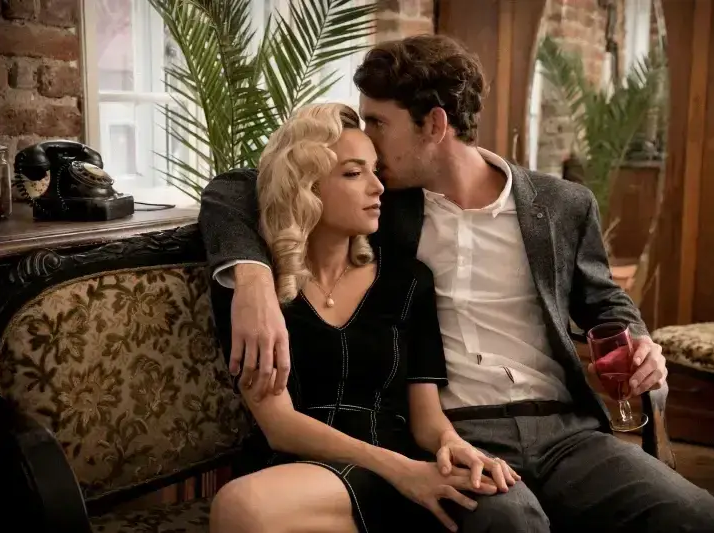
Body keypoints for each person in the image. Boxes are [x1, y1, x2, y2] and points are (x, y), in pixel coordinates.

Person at [201, 35, 714, 532]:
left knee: (700, 519)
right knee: (508, 524)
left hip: (567, 431)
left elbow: (606, 304)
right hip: (455, 432)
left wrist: (639, 344)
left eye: (378, 122)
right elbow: (245, 186)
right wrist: (251, 276)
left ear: (434, 125)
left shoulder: (562, 205)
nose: (368, 138)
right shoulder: (385, 203)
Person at [208, 103, 522, 533]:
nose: (378, 187)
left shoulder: (409, 281)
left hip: (391, 465)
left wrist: (451, 443)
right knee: (242, 506)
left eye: (376, 171)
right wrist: (400, 470)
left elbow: (427, 420)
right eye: (354, 173)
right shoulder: (254, 293)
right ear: (306, 187)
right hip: (296, 467)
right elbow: (278, 426)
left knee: (245, 507)